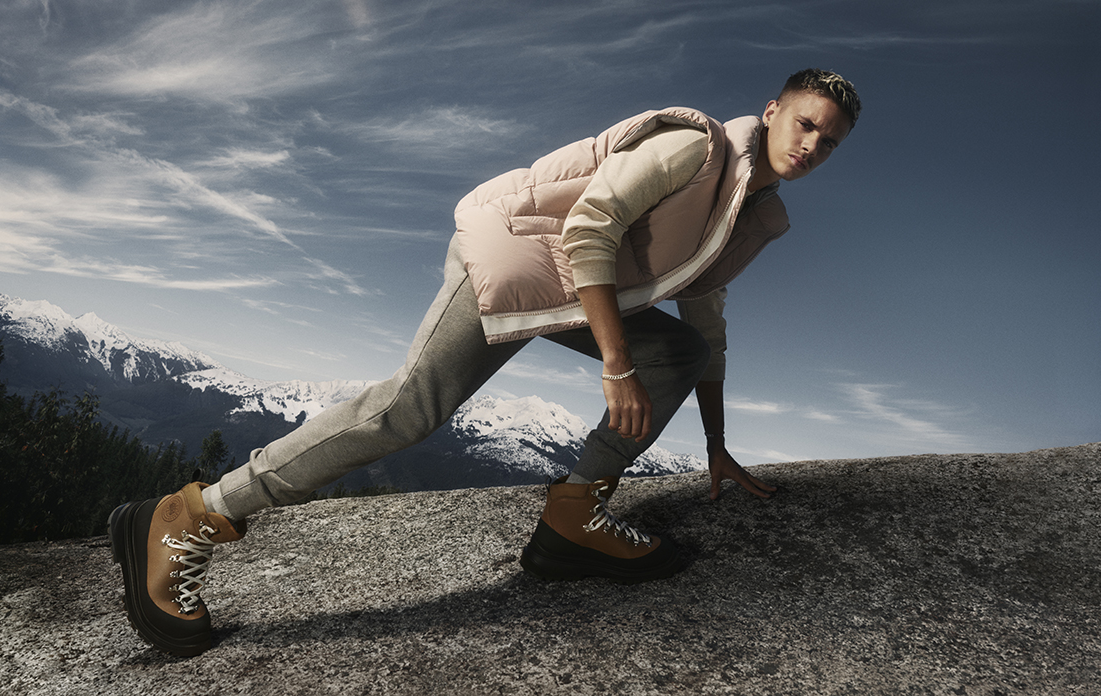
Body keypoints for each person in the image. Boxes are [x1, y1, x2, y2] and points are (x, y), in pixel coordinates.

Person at [108, 68, 861, 657]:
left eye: (830, 143)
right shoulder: (693, 149)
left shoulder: (758, 215)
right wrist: (614, 363)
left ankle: (573, 517)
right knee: (412, 410)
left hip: (577, 295)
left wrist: (716, 443)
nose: (812, 147)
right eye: (806, 125)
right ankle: (192, 515)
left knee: (683, 350)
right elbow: (590, 229)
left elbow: (705, 313)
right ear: (771, 111)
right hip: (511, 258)